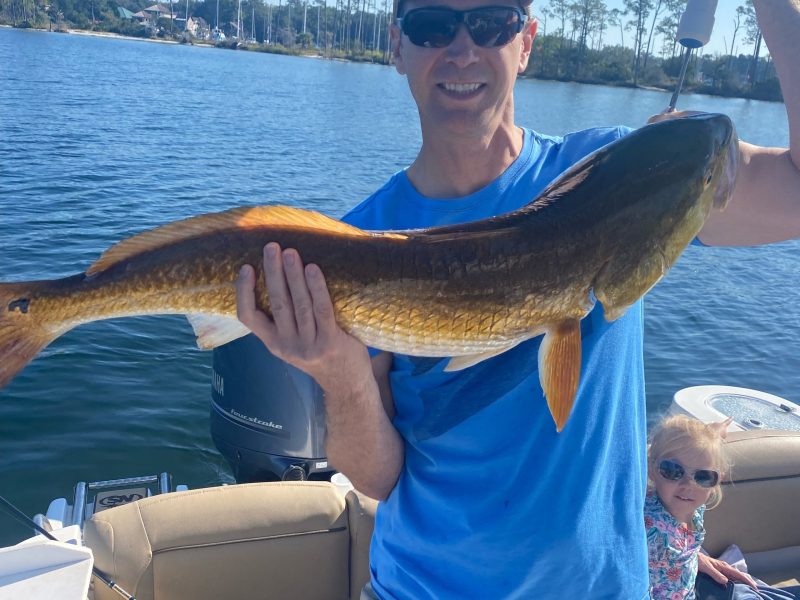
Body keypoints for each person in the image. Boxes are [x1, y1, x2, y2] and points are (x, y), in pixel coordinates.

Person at [235, 0, 800, 597]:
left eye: (491, 24)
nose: (462, 50)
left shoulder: (624, 176)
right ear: (397, 46)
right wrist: (341, 374)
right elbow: (377, 479)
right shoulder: (353, 243)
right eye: (432, 26)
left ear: (526, 41)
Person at [645, 415, 755, 599]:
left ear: (716, 481)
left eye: (703, 477)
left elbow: (698, 451)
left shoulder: (694, 507)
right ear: (651, 469)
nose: (688, 486)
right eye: (672, 470)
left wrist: (715, 431)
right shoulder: (648, 529)